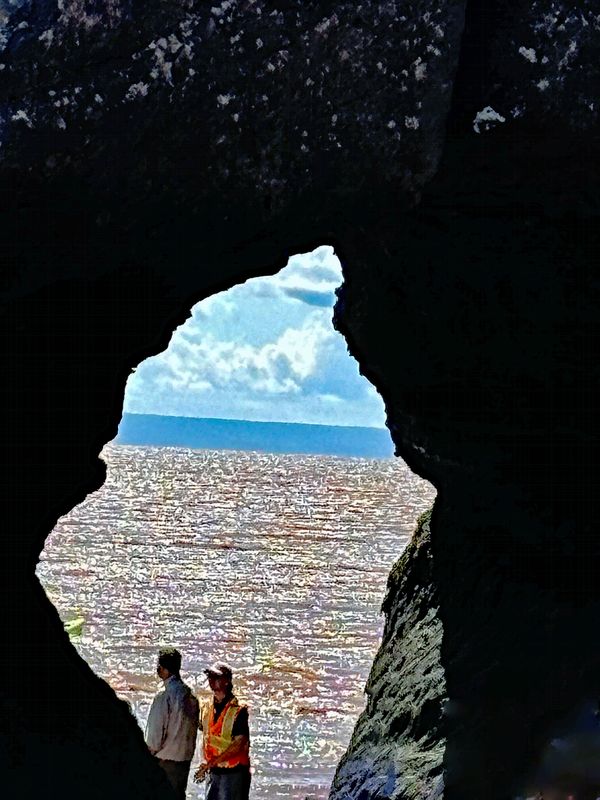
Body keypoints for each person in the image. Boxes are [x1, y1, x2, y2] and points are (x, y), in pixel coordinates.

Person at [145, 647, 200, 799]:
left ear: (163, 670)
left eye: (159, 666)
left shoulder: (163, 698)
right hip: (184, 763)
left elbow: (154, 740)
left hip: (164, 763)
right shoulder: (192, 698)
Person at [194, 663, 251, 799]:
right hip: (213, 772)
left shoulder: (238, 711)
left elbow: (239, 744)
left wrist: (211, 763)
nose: (211, 680)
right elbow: (204, 733)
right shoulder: (207, 708)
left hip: (233, 773)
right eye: (210, 676)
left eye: (216, 677)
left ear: (227, 681)